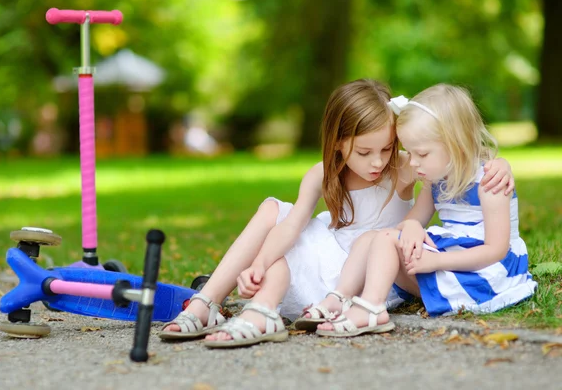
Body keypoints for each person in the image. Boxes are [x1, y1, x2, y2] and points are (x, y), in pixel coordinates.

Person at [159, 79, 513, 348]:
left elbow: (456, 152)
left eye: (387, 148)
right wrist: (260, 262)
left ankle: (259, 311)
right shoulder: (322, 173)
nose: (377, 161)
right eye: (364, 151)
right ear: (339, 142)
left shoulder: (406, 168)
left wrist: (501, 164)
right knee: (273, 215)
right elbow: (294, 223)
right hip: (327, 258)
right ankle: (206, 304)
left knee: (283, 248)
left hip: (360, 274)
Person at [316, 84, 536, 338]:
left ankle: (372, 307)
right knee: (372, 237)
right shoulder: (435, 179)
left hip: (484, 275)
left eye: (421, 153)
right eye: (409, 152)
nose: (411, 162)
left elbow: (497, 250)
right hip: (452, 260)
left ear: (458, 146)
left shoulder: (489, 182)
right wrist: (410, 226)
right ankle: (340, 297)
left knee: (386, 239)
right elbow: (412, 220)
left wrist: (437, 261)